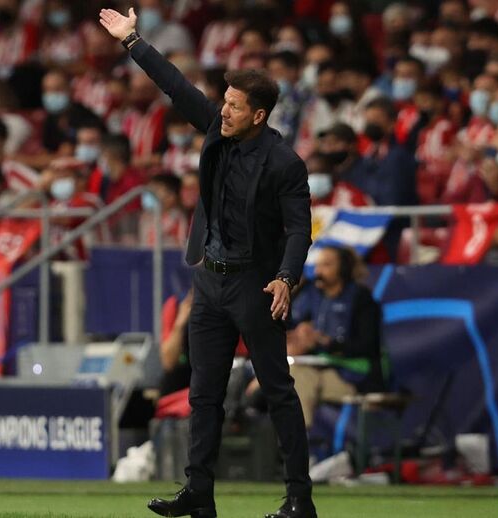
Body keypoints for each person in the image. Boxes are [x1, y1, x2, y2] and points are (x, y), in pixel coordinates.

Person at [100, 8, 315, 518]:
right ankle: (199, 494)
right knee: (203, 394)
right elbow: (176, 86)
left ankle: (299, 499)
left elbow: (299, 229)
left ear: (258, 116)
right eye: (225, 101)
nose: (224, 111)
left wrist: (286, 278)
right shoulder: (217, 131)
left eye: (235, 106)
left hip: (255, 286)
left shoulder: (285, 164)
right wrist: (132, 40)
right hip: (210, 282)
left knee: (278, 392)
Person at [287, 246, 384, 429]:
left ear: (343, 268)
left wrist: (329, 344)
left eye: (326, 265)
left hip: (351, 377)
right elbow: (290, 328)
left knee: (296, 378)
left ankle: (298, 440)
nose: (318, 272)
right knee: (284, 373)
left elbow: (368, 346)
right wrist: (301, 335)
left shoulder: (361, 299)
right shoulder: (311, 295)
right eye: (317, 266)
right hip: (314, 369)